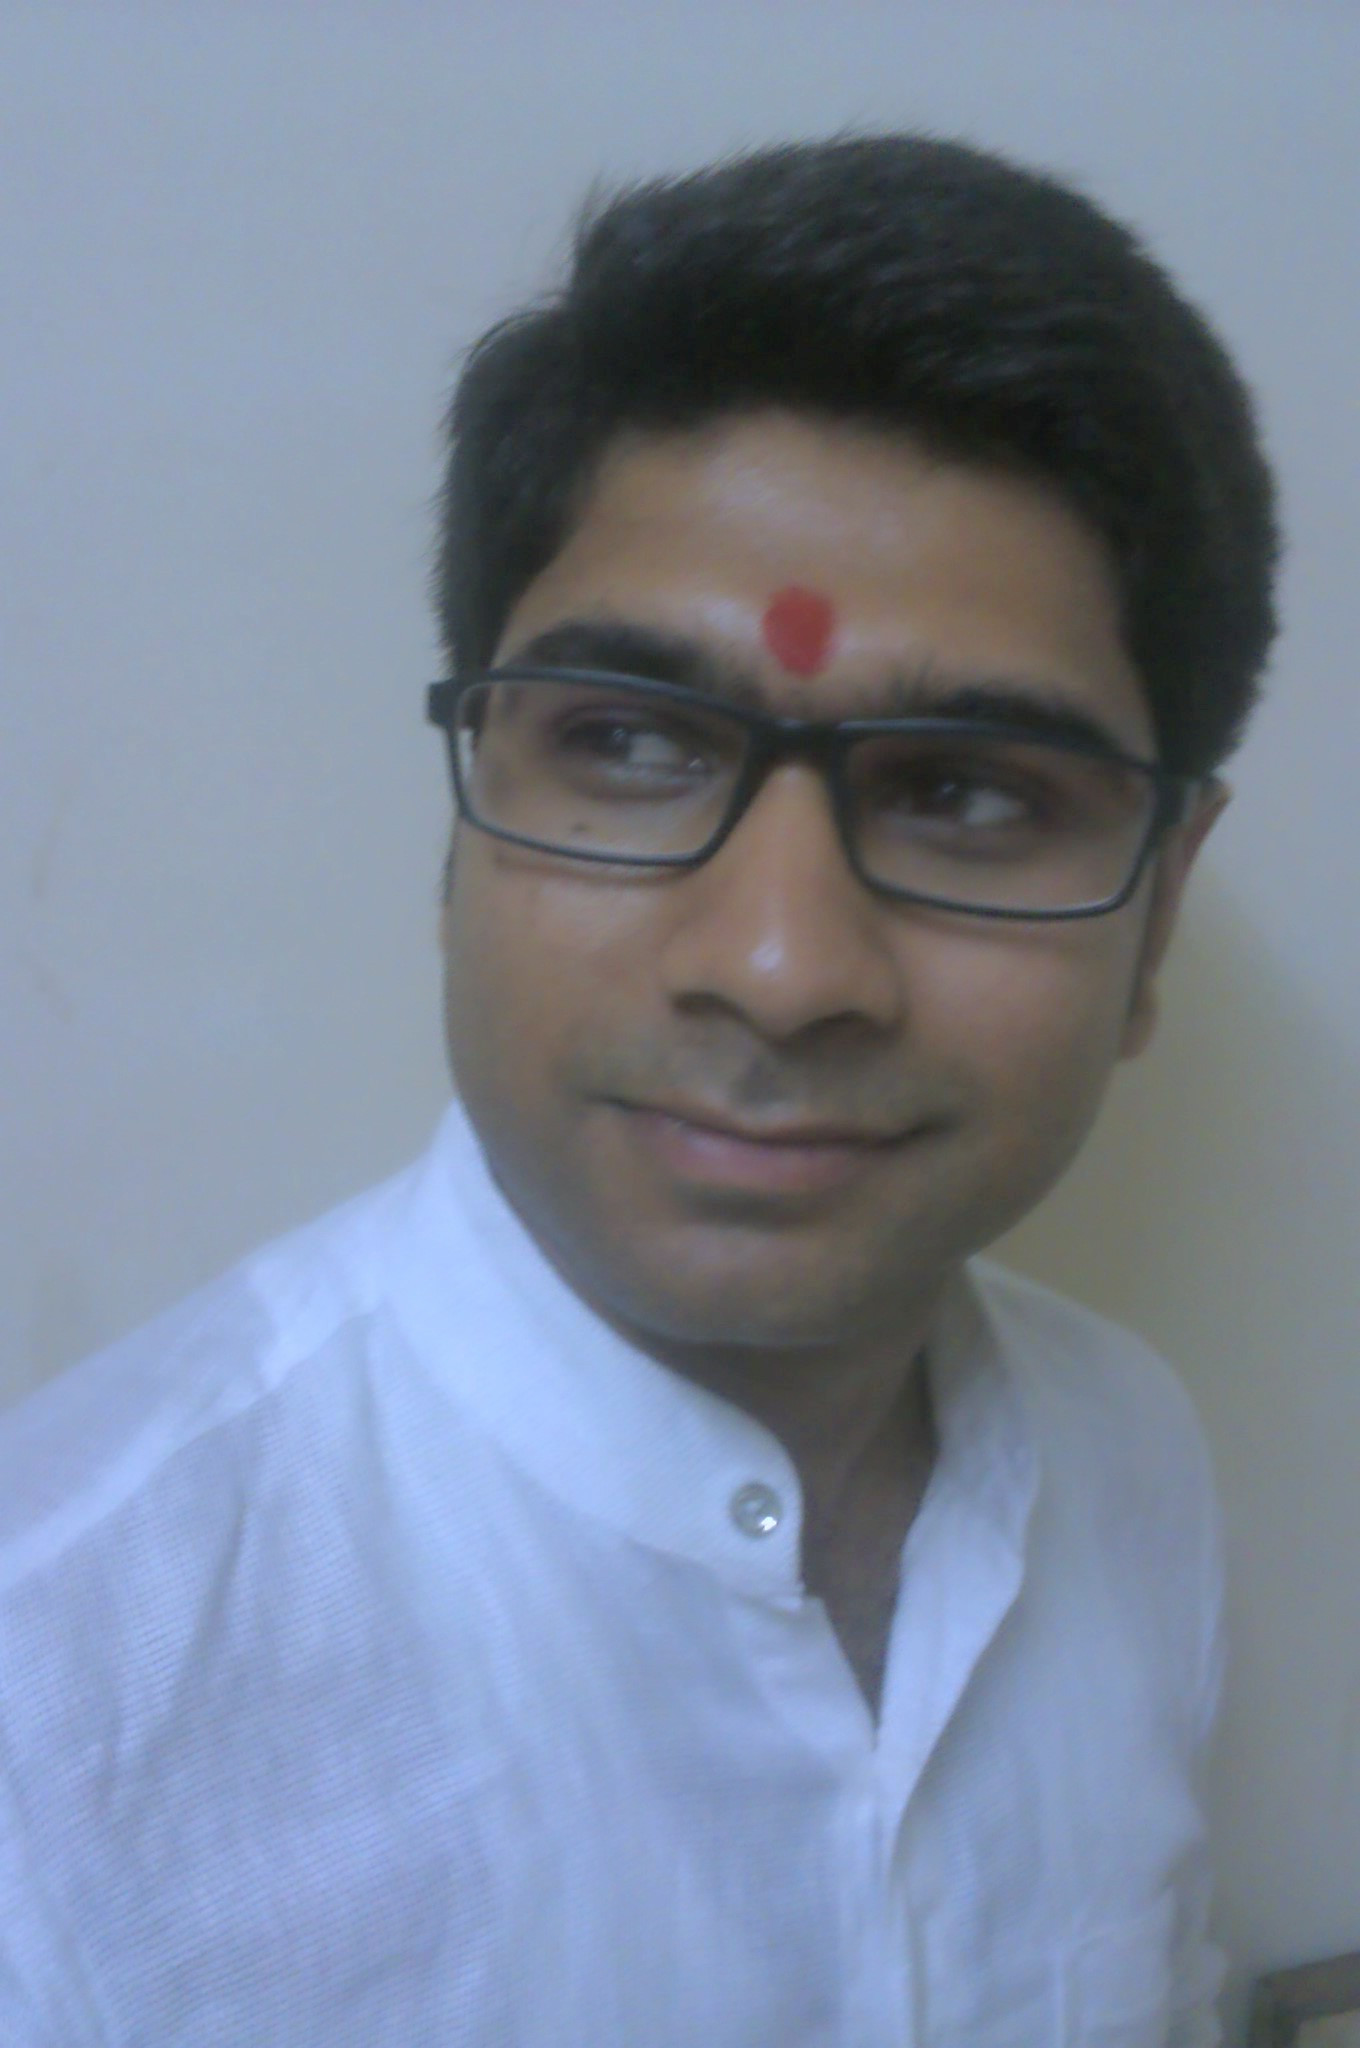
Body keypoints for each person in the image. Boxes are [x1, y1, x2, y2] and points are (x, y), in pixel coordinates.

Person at [0, 134, 1276, 2046]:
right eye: (629, 743)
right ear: (465, 830)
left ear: (1156, 916)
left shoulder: (1131, 1461)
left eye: (967, 790)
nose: (779, 965)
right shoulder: (55, 1709)